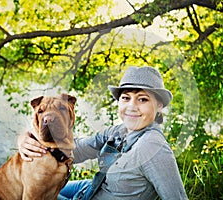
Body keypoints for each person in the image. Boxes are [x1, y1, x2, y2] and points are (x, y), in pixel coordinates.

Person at [18, 66, 188, 200]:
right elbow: (76, 151)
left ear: (158, 106)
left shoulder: (153, 147)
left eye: (143, 99)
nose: (132, 106)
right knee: (21, 185)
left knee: (20, 194)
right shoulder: (119, 131)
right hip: (90, 189)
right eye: (126, 98)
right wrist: (28, 139)